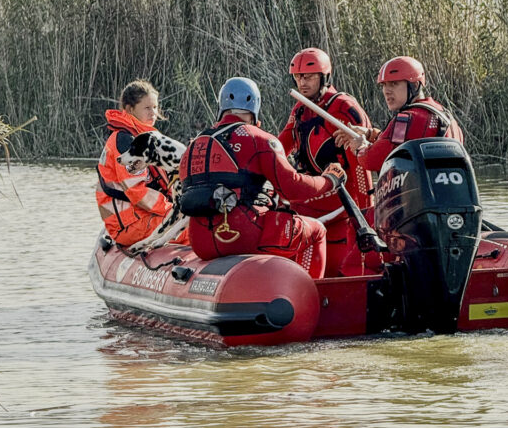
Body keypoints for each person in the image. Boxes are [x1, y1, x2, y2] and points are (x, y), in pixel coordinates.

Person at [179, 77, 346, 279]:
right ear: (255, 108)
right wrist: (329, 180)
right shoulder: (259, 138)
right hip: (243, 234)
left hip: (201, 243)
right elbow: (292, 189)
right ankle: (311, 297)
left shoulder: (194, 145)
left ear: (221, 107)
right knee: (316, 230)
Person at [277, 48, 373, 275]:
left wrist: (364, 214)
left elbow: (360, 166)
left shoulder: (342, 108)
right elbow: (281, 147)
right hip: (315, 194)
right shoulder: (301, 108)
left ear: (325, 77)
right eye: (298, 77)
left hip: (341, 198)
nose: (302, 83)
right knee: (278, 205)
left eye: (308, 77)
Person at [340, 55, 464, 172]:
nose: (386, 91)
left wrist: (360, 147)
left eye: (394, 84)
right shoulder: (445, 114)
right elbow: (402, 142)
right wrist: (370, 134)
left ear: (414, 85)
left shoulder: (406, 119)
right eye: (384, 85)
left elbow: (373, 160)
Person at [96, 79, 177, 247]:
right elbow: (136, 192)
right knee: (193, 230)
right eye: (147, 108)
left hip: (138, 217)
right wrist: (171, 210)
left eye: (155, 108)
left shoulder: (141, 138)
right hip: (129, 225)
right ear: (129, 109)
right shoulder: (126, 142)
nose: (153, 113)